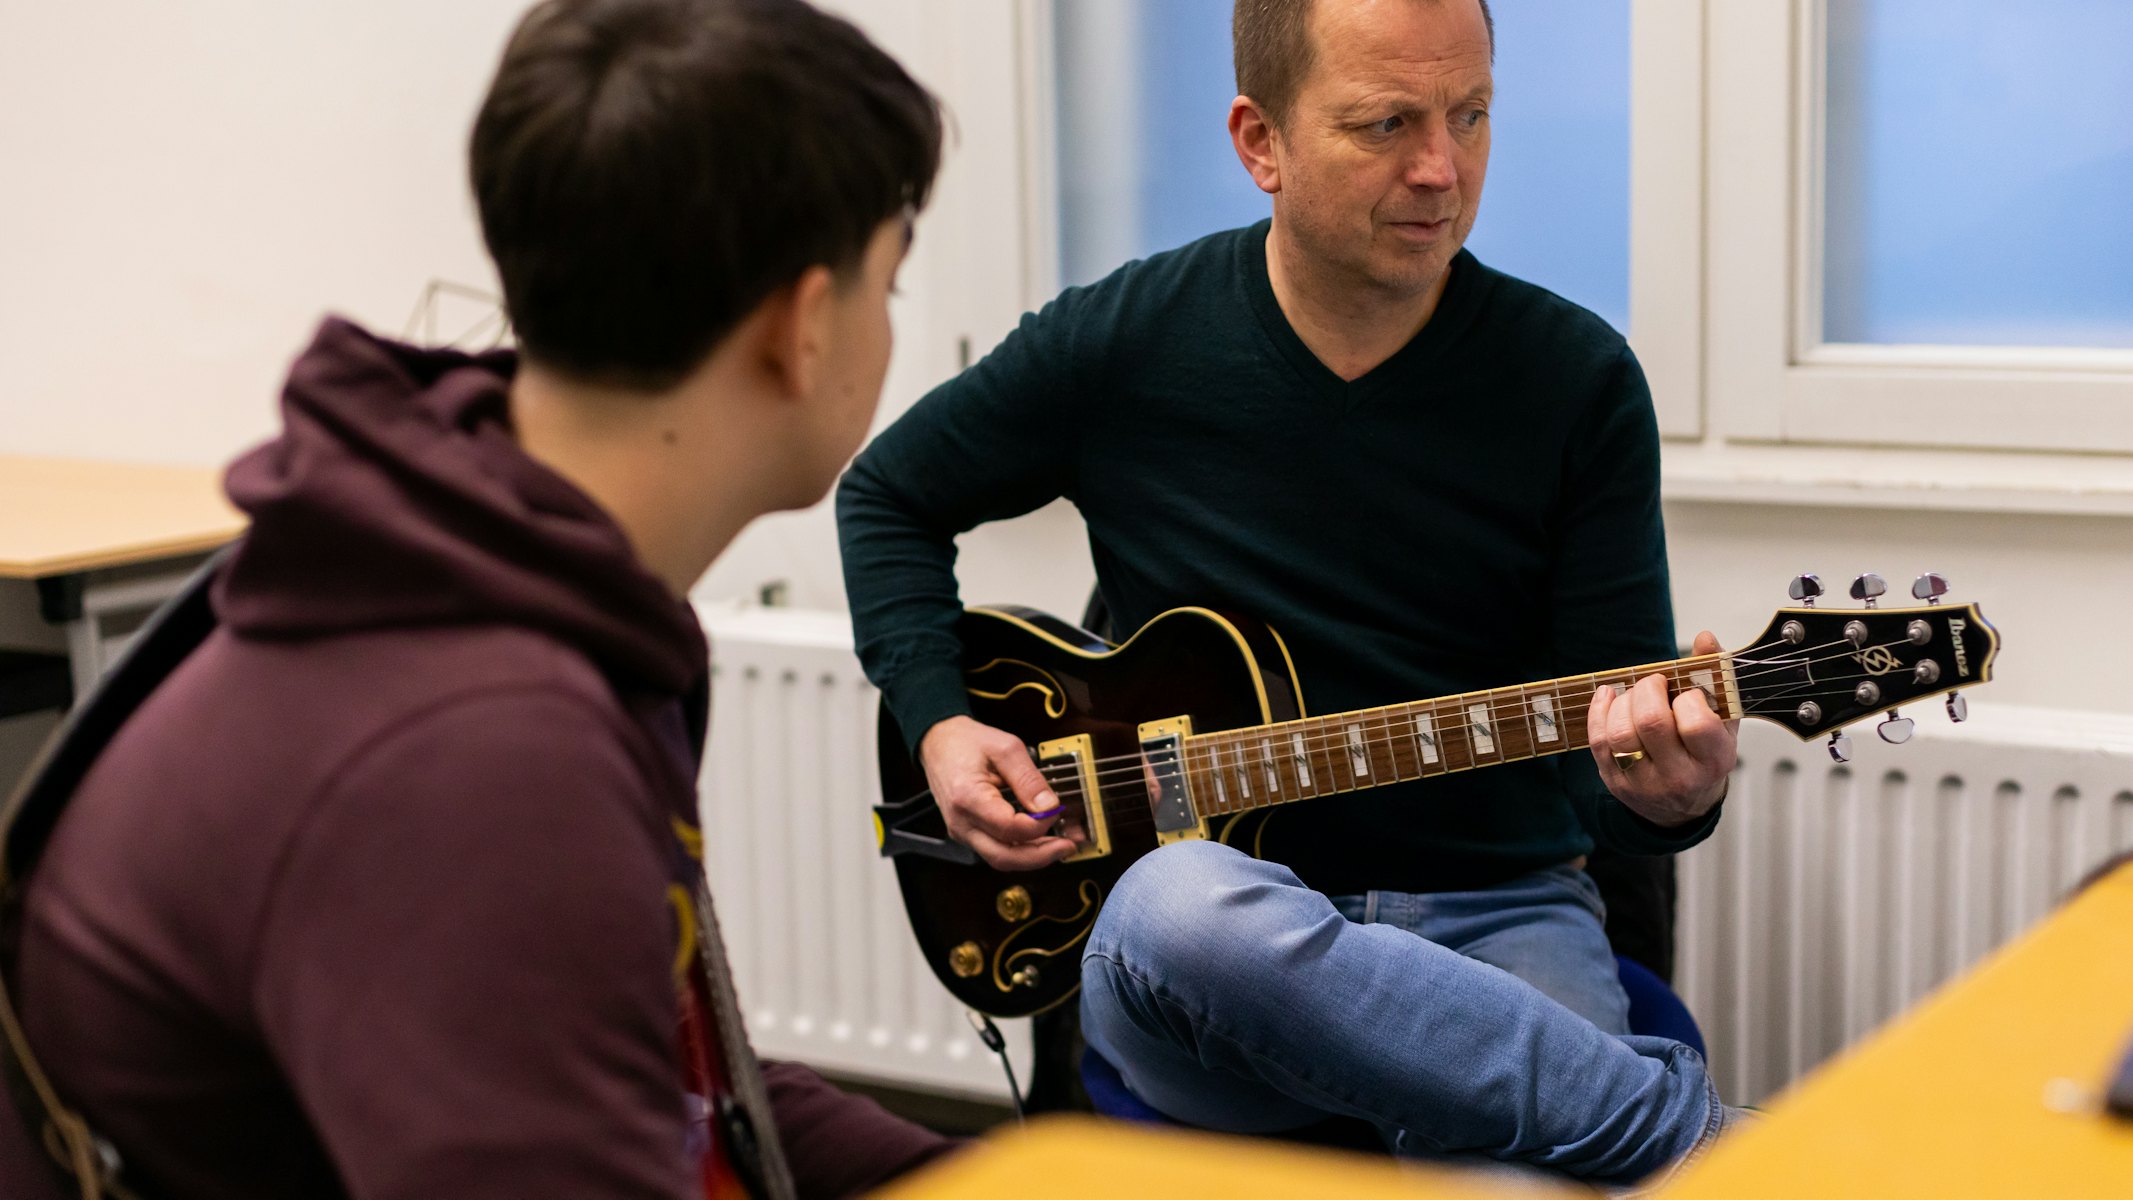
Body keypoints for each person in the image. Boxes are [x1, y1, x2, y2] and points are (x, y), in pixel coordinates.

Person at [0, 1, 957, 1196]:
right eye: (888, 289)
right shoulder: (478, 758)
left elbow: (670, 1091)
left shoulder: (501, 570)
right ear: (804, 327)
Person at [837, 0, 1746, 1185]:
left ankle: (1566, 1118)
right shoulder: (1127, 342)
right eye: (1385, 124)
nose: (1442, 170)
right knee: (1174, 907)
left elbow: (1611, 765)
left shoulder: (1576, 383)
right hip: (1213, 958)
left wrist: (1670, 793)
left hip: (1495, 920)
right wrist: (940, 721)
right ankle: (1698, 1141)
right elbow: (886, 496)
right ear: (1259, 141)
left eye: (1470, 116)